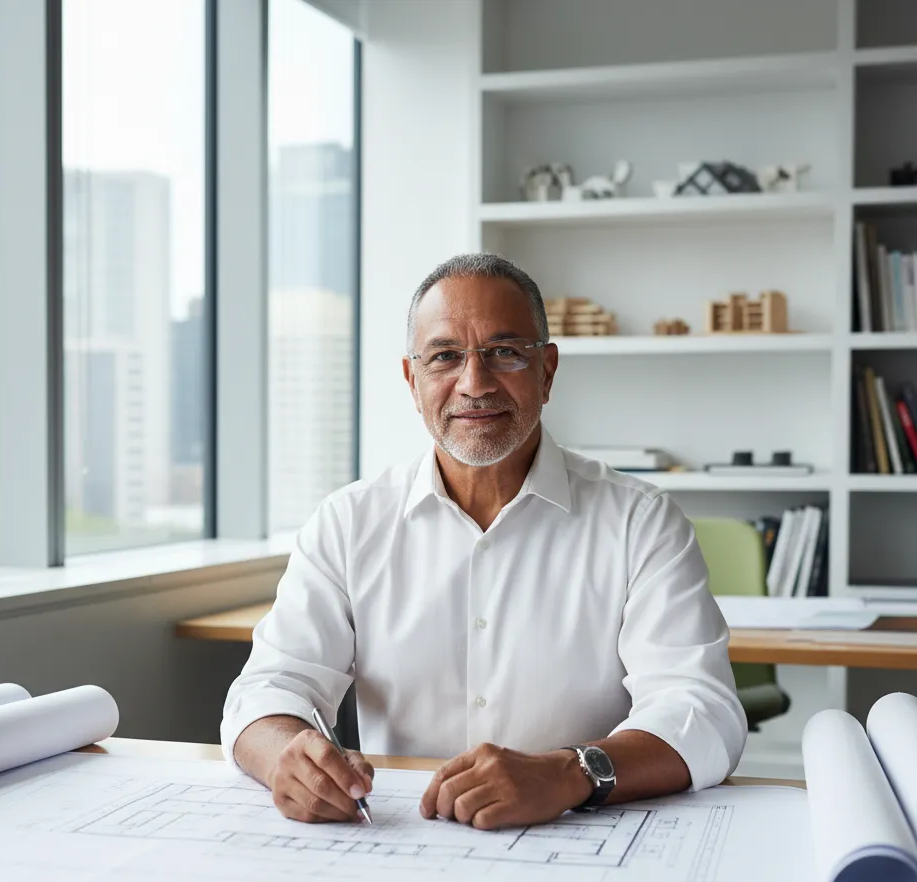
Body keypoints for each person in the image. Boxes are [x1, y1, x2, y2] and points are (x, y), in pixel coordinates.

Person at [222, 253, 747, 829]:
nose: (474, 383)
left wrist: (568, 773)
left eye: (505, 353)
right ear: (412, 380)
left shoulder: (640, 522)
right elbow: (269, 687)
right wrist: (285, 758)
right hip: (399, 843)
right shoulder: (348, 522)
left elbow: (702, 710)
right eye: (445, 356)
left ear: (546, 371)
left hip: (580, 837)